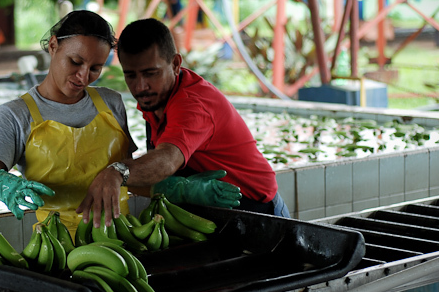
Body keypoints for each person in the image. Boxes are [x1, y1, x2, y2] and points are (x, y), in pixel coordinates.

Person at [80, 18, 290, 227]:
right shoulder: (155, 100)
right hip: (210, 217)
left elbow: (167, 160)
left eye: (151, 73)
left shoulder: (192, 104)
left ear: (175, 64)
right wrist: (173, 187)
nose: (140, 86)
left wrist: (118, 171)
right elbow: (150, 172)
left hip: (258, 214)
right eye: (131, 75)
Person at [0, 10, 137, 235]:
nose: (83, 77)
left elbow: (129, 173)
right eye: (75, 62)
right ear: (53, 46)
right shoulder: (14, 115)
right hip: (55, 246)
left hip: (120, 238)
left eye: (95, 68)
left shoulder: (112, 102)